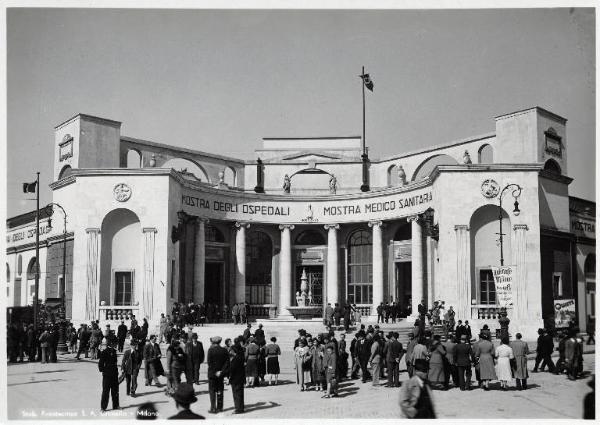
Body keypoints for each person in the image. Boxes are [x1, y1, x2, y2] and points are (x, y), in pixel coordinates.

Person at [207, 336, 229, 414]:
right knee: (220, 390)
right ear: (220, 342)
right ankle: (220, 407)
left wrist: (215, 371)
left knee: (212, 391)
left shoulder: (210, 350)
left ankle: (213, 408)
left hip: (212, 374)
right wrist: (221, 372)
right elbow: (227, 363)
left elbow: (210, 363)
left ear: (213, 342)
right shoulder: (224, 350)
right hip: (221, 374)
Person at [98, 338, 120, 412]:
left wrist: (116, 371)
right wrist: (104, 371)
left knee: (115, 390)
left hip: (114, 374)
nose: (116, 344)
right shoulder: (104, 352)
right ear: (111, 344)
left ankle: (116, 405)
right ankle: (103, 407)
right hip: (107, 375)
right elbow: (100, 364)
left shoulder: (114, 351)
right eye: (115, 343)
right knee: (105, 391)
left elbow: (115, 363)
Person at [228, 341, 245, 414]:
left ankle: (238, 409)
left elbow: (232, 370)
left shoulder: (235, 359)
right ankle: (240, 408)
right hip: (240, 378)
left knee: (236, 394)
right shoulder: (240, 357)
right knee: (240, 394)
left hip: (235, 379)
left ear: (234, 351)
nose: (230, 351)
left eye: (231, 350)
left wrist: (229, 378)